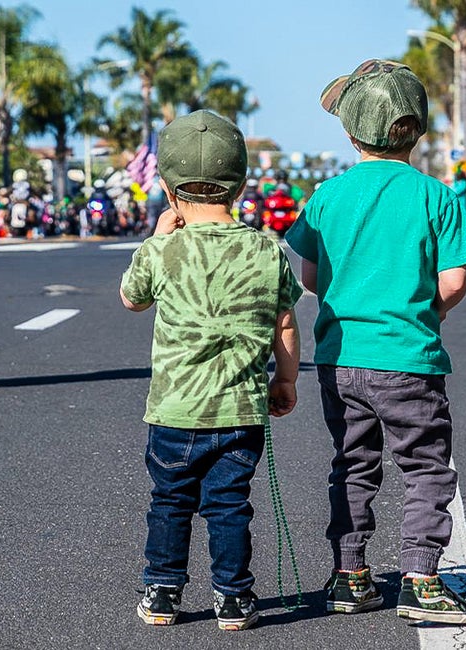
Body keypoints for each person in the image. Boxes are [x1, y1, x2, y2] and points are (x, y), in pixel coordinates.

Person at [285, 59, 466, 625]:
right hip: (408, 357)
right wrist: (423, 312)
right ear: (417, 129)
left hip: (339, 356)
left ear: (351, 133)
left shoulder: (327, 196)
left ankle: (350, 575)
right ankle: (421, 578)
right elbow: (454, 280)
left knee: (352, 465)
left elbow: (307, 275)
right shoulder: (437, 197)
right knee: (425, 466)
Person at [120, 110, 302, 631]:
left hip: (174, 409)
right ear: (240, 184)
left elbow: (132, 300)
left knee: (170, 501)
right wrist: (284, 379)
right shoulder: (267, 248)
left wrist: (156, 238)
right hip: (240, 410)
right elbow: (284, 324)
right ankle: (234, 599)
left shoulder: (164, 247)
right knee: (228, 504)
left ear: (169, 187)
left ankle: (162, 593)